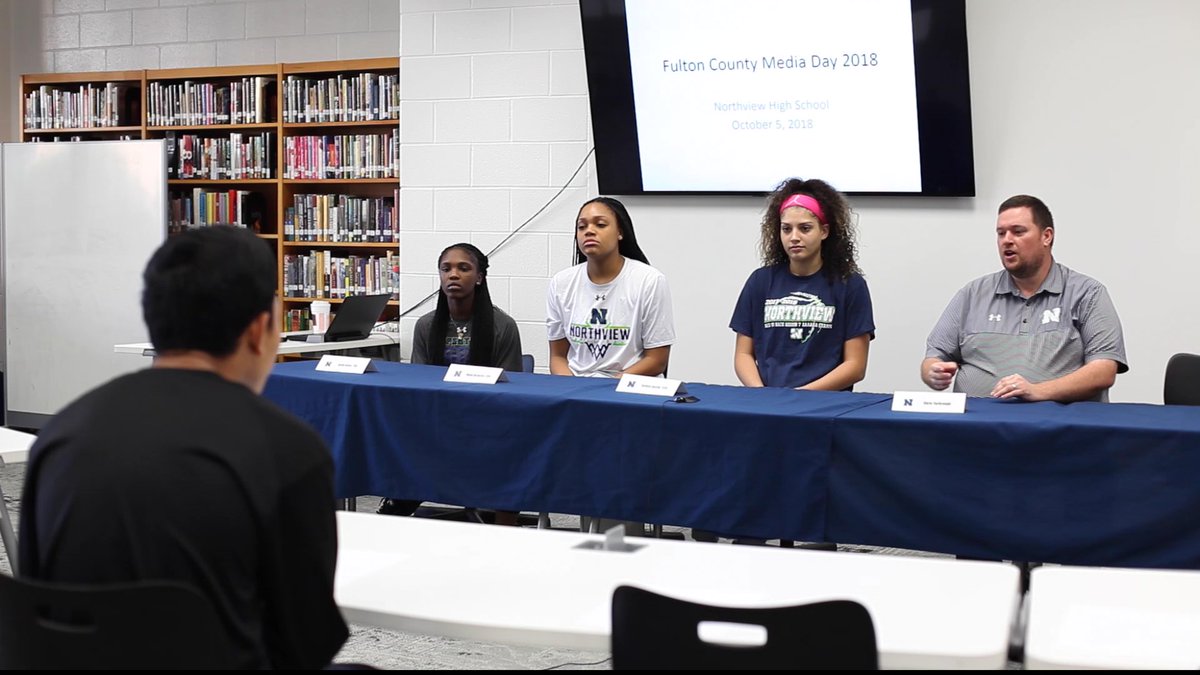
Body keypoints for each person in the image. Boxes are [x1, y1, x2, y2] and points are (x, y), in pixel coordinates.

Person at [18, 227, 349, 669]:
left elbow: (37, 599)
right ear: (259, 330)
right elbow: (307, 643)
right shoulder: (288, 450)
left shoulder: (61, 433)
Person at [922, 194, 1128, 402]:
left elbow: (1104, 370)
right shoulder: (972, 294)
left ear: (1046, 236)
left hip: (1057, 427)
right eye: (1001, 233)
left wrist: (1038, 391)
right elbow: (934, 357)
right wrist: (932, 372)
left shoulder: (1087, 293)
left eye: (1018, 232)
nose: (1007, 240)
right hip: (977, 427)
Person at [379, 243, 523, 522]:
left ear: (480, 277)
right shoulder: (426, 325)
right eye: (446, 269)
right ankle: (389, 518)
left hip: (486, 425)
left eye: (463, 268)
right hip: (437, 423)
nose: (453, 275)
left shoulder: (502, 326)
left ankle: (506, 533)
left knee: (511, 454)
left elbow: (513, 395)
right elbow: (418, 387)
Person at [730, 177, 875, 390]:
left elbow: (855, 366)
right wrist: (761, 394)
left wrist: (801, 396)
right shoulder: (760, 281)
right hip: (767, 402)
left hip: (824, 406)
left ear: (824, 231)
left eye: (805, 228)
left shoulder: (850, 285)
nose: (794, 237)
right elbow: (743, 354)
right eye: (786, 229)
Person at [546, 196, 675, 377]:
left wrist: (606, 389)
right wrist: (572, 391)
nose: (589, 231)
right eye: (582, 227)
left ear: (619, 232)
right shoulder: (561, 283)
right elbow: (558, 357)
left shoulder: (650, 281)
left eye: (600, 224)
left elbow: (657, 360)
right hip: (575, 389)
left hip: (627, 388)